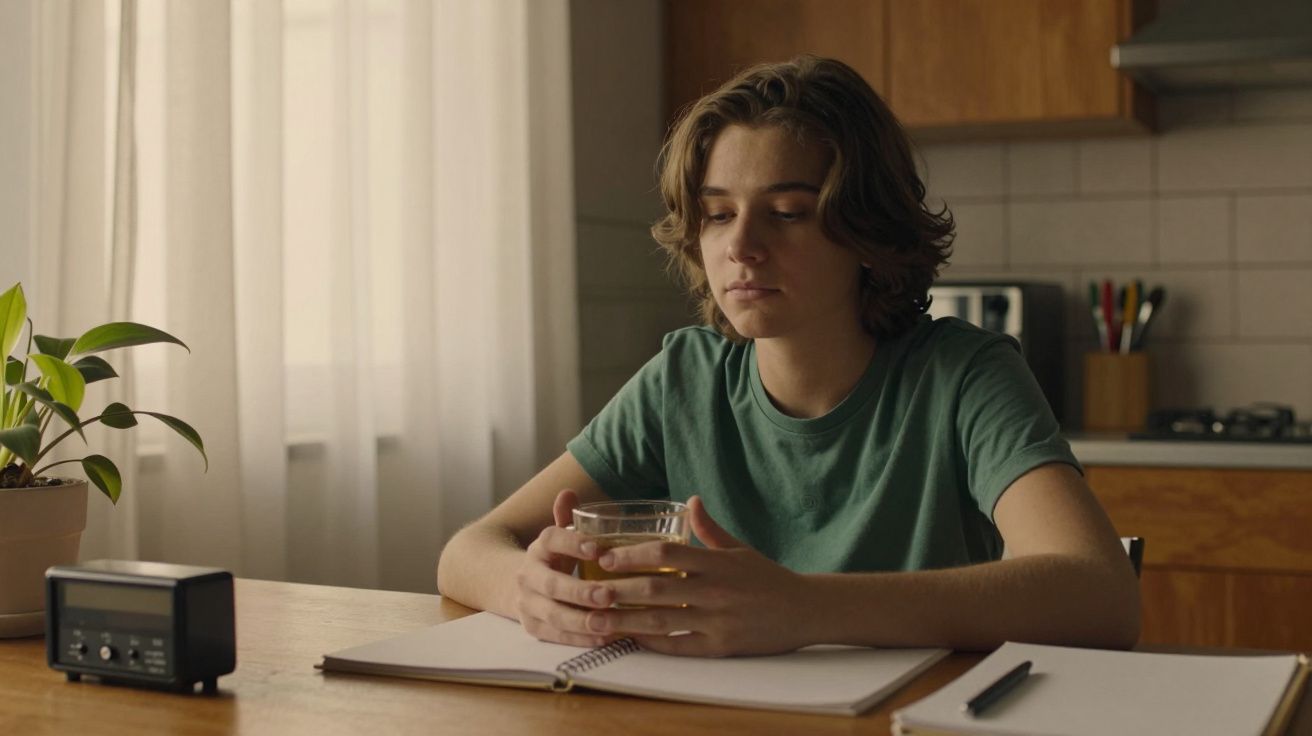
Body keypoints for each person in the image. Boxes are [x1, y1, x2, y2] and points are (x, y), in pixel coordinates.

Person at [436, 55, 1139, 657]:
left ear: (867, 230)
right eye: (718, 213)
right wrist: (529, 588)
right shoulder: (685, 379)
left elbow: (1101, 594)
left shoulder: (963, 376)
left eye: (789, 211)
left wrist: (803, 608)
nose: (741, 245)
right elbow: (470, 548)